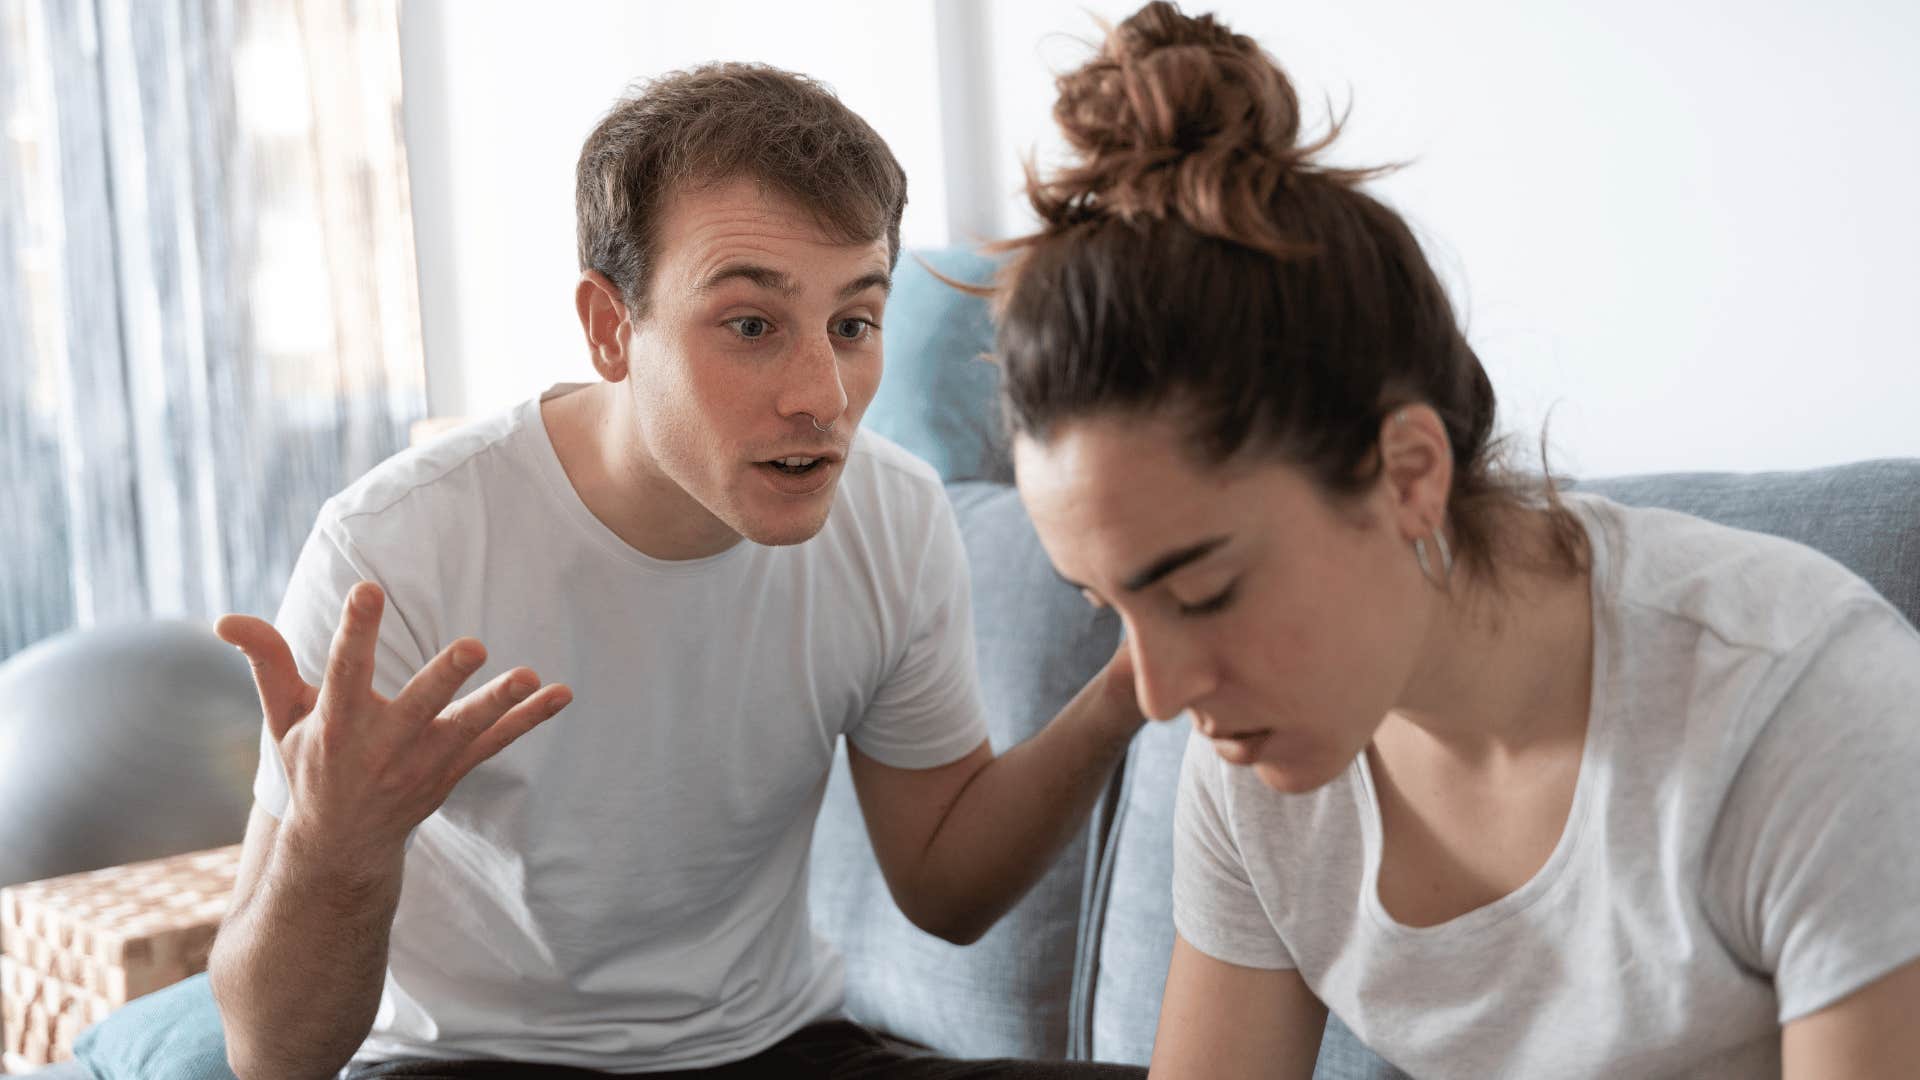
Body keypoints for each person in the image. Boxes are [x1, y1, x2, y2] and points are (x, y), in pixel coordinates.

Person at [995, 4, 1920, 1077]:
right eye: (1110, 608)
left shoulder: (1802, 712)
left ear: (1409, 475)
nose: (1159, 698)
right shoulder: (1255, 765)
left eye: (1202, 593)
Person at [207, 64, 1147, 1079]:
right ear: (612, 329)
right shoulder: (394, 549)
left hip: (779, 1050)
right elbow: (271, 1055)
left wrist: (1127, 690)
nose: (822, 397)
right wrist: (331, 845)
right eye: (752, 325)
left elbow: (947, 892)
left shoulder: (897, 516)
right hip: (478, 1063)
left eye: (853, 324)